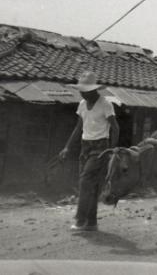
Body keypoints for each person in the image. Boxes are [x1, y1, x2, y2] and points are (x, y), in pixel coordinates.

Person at [58, 70, 119, 232]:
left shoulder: (105, 104)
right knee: (90, 185)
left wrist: (112, 150)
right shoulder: (82, 105)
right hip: (85, 146)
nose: (83, 95)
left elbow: (115, 128)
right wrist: (67, 147)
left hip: (100, 148)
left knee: (85, 181)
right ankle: (91, 223)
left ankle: (80, 220)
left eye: (85, 92)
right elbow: (79, 127)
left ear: (94, 90)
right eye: (81, 91)